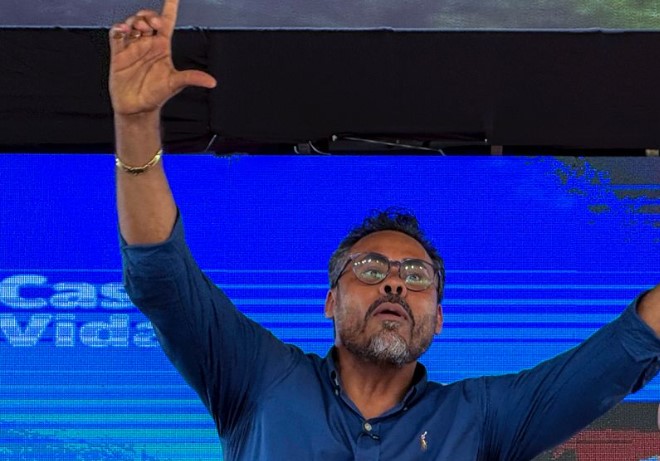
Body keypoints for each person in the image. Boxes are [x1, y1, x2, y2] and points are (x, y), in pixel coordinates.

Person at [109, 1, 660, 459]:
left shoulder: (483, 419)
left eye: (416, 276)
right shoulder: (257, 379)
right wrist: (135, 123)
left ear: (439, 319)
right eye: (371, 269)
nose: (395, 282)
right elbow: (161, 276)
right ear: (330, 300)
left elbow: (623, 351)